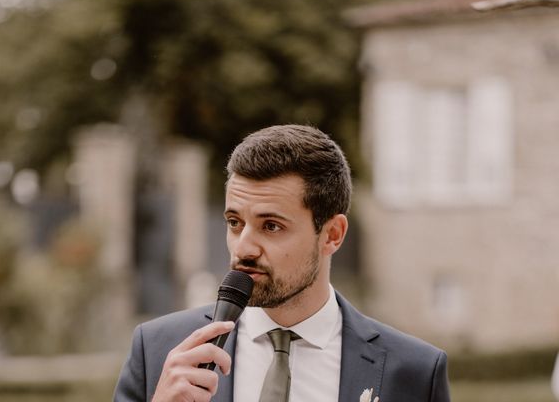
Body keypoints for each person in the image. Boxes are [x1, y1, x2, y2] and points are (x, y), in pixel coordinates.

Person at [113, 124, 450, 402]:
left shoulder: (413, 372)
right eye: (234, 222)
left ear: (332, 234)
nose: (243, 247)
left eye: (271, 226)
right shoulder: (157, 350)